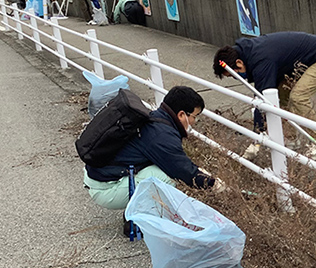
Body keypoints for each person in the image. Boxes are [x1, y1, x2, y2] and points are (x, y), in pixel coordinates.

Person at [83, 86, 225, 210]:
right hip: (105, 188)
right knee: (168, 178)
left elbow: (179, 162)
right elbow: (184, 172)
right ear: (182, 115)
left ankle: (140, 211)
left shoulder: (156, 119)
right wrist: (215, 185)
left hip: (99, 177)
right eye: (195, 116)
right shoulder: (162, 136)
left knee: (164, 170)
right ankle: (139, 217)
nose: (195, 122)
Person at [213, 31, 316, 160]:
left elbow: (262, 99)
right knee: (282, 95)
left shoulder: (261, 59)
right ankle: (292, 138)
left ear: (239, 63)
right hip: (296, 62)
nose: (236, 78)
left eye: (233, 75)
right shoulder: (249, 54)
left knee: (298, 97)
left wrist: (257, 137)